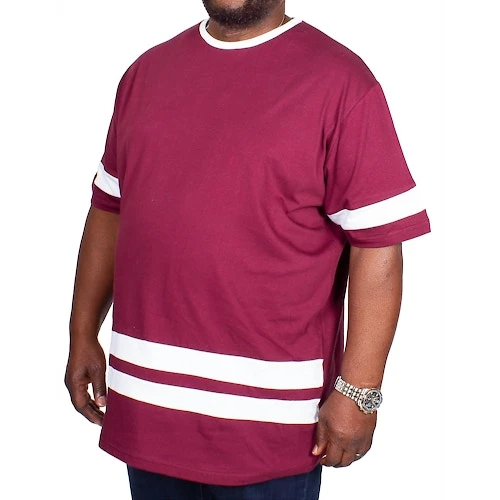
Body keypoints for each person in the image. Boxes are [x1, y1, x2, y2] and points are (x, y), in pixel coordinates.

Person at [65, 1, 431, 498]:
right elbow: (110, 209)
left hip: (272, 420)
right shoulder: (145, 74)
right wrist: (82, 333)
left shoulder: (341, 83)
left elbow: (379, 242)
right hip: (147, 404)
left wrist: (359, 392)